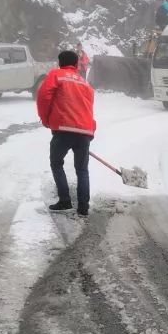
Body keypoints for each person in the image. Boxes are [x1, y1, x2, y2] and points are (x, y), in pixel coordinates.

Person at [36, 50, 96, 216]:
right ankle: (83, 207)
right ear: (76, 64)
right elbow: (89, 108)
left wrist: (46, 119)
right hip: (84, 130)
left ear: (60, 63)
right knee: (82, 170)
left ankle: (65, 200)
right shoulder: (85, 83)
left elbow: (43, 97)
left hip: (63, 130)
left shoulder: (56, 75)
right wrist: (91, 130)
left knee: (56, 163)